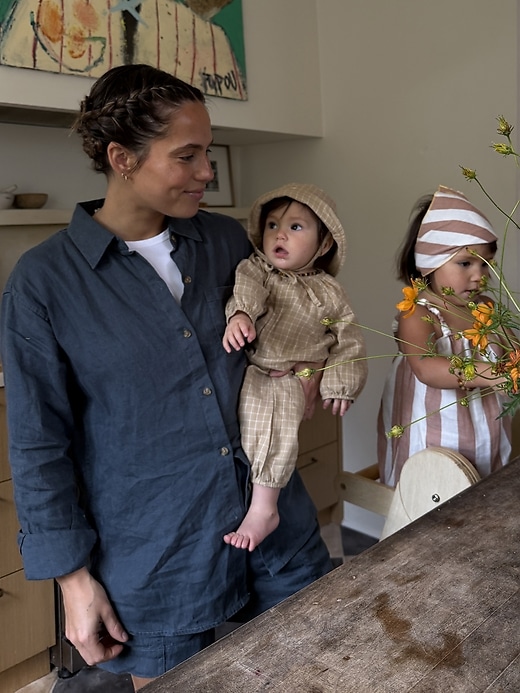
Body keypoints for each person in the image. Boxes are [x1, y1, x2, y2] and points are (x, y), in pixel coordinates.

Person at [0, 65, 333, 691]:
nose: (207, 171)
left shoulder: (227, 242)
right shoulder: (44, 284)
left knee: (313, 671)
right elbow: (39, 445)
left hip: (275, 528)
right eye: (188, 156)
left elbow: (295, 316)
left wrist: (315, 368)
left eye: (208, 153)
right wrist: (74, 581)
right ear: (122, 158)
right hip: (158, 558)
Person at [222, 183, 368, 551]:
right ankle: (254, 498)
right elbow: (247, 290)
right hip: (256, 370)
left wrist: (340, 385)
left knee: (278, 434)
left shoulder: (330, 292)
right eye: (272, 225)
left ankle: (264, 507)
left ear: (324, 243)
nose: (280, 235)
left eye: (295, 227)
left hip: (290, 378)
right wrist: (241, 314)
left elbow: (348, 340)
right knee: (253, 433)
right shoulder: (258, 269)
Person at [377, 185, 512, 488]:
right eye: (465, 263)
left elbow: (510, 349)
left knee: (482, 490)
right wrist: (492, 374)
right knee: (432, 493)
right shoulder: (418, 313)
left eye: (485, 264)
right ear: (430, 262)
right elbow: (426, 367)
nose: (478, 276)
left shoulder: (485, 308)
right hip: (432, 442)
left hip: (485, 435)